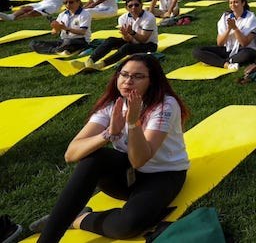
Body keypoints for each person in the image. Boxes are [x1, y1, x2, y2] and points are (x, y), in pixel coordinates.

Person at [33, 54, 189, 242]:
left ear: (152, 81)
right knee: (92, 159)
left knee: (125, 227)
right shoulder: (111, 105)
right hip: (127, 174)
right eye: (123, 74)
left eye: (138, 76)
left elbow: (140, 159)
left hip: (163, 174)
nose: (128, 81)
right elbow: (71, 154)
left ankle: (78, 218)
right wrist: (108, 133)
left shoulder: (164, 105)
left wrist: (133, 123)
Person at [77, 0, 158, 70]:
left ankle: (101, 65)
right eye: (130, 6)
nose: (134, 8)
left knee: (127, 47)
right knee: (110, 40)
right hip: (133, 41)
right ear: (126, 8)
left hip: (149, 45)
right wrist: (126, 35)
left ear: (141, 5)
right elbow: (127, 39)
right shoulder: (123, 18)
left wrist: (131, 32)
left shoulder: (149, 18)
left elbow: (143, 40)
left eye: (136, 5)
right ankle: (90, 61)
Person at [192, 0, 256, 70]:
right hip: (228, 49)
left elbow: (244, 43)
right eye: (231, 3)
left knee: (248, 54)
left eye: (236, 2)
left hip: (244, 50)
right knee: (197, 51)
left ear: (243, 3)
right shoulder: (225, 17)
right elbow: (220, 43)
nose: (233, 5)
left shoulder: (250, 18)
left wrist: (235, 28)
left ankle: (215, 61)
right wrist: (229, 29)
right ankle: (226, 64)